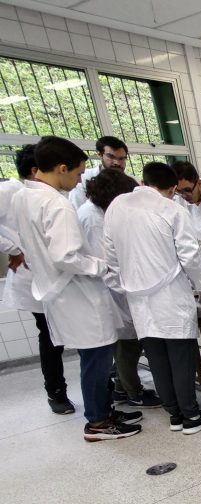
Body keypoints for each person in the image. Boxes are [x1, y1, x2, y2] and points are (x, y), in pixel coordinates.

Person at [11, 136, 141, 441]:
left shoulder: (24, 195)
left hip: (58, 293)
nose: (80, 179)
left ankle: (103, 411)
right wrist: (102, 266)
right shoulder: (57, 203)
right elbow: (67, 256)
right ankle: (98, 422)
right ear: (61, 168)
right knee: (96, 360)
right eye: (78, 172)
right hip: (78, 293)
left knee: (92, 358)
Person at [103, 162, 201, 435]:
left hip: (137, 299)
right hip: (171, 296)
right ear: (171, 188)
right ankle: (191, 417)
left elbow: (111, 256)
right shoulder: (171, 209)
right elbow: (190, 256)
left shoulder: (117, 208)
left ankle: (175, 416)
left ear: (144, 181)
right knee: (181, 358)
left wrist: (124, 286)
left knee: (157, 360)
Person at [0, 145, 74, 414]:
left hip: (55, 278)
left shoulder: (47, 196)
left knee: (65, 335)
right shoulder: (11, 191)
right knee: (50, 337)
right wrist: (13, 249)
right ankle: (56, 392)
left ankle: (104, 386)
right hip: (34, 279)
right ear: (35, 170)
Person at [79, 169, 161, 409]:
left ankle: (121, 388)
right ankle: (132, 390)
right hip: (108, 289)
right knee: (127, 344)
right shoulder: (94, 219)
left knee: (125, 342)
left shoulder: (97, 212)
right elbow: (107, 262)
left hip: (111, 287)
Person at [68, 136, 130, 210]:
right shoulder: (83, 178)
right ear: (99, 154)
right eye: (111, 157)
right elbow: (77, 208)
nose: (117, 162)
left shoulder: (131, 182)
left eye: (121, 158)